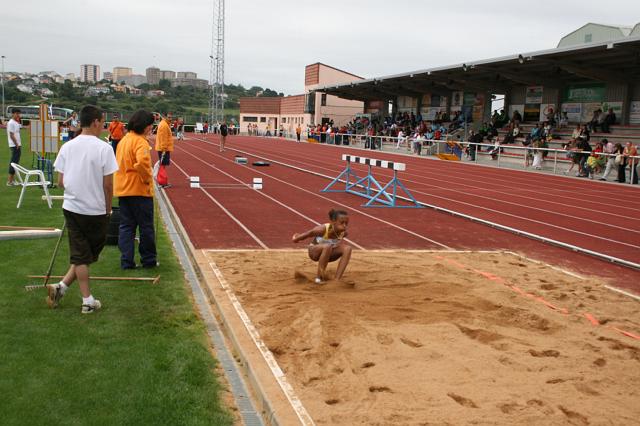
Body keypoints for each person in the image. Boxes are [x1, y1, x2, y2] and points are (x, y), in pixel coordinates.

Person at [47, 105, 119, 314]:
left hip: (72, 207)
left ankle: (60, 287)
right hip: (94, 210)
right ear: (95, 122)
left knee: (84, 255)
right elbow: (108, 185)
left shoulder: (68, 146)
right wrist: (108, 209)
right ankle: (87, 301)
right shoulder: (104, 148)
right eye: (103, 122)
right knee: (83, 256)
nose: (104, 126)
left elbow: (60, 181)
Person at [113, 109, 158, 269]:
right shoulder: (140, 142)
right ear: (144, 126)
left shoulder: (124, 140)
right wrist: (147, 179)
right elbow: (142, 163)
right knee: (146, 228)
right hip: (139, 191)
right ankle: (149, 260)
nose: (151, 128)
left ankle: (126, 261)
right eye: (150, 125)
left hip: (123, 190)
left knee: (126, 227)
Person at [292, 209, 352, 284]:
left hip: (328, 254)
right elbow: (308, 233)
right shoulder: (322, 229)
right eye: (342, 223)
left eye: (346, 223)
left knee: (348, 248)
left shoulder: (344, 233)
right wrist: (296, 238)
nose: (344, 225)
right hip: (314, 253)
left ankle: (337, 279)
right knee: (327, 246)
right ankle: (319, 278)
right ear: (333, 222)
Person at [154, 112, 174, 188]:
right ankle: (162, 182)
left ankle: (162, 182)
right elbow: (163, 138)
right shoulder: (164, 125)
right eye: (169, 117)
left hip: (164, 148)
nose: (170, 119)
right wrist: (164, 149)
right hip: (163, 149)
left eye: (171, 117)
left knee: (163, 165)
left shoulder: (165, 124)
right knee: (162, 166)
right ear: (165, 117)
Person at [6, 108, 23, 186]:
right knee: (13, 163)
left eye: (19, 113)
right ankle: (9, 181)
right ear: (13, 114)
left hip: (17, 145)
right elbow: (11, 135)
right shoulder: (11, 123)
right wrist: (16, 144)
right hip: (14, 145)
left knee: (15, 163)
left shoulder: (16, 122)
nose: (18, 115)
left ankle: (12, 180)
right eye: (16, 113)